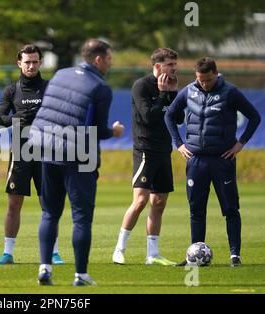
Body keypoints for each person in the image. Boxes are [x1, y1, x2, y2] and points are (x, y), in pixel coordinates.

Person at [30, 39, 125, 285]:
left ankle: (44, 269)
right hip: (78, 156)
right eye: (109, 59)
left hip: (46, 150)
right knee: (81, 217)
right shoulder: (101, 87)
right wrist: (114, 132)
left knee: (49, 213)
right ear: (98, 59)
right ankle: (81, 275)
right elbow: (96, 130)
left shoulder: (60, 74)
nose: (111, 63)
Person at [165, 57, 261, 267]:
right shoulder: (189, 91)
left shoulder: (230, 92)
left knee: (230, 209)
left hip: (222, 160)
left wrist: (240, 144)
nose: (204, 84)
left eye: (208, 80)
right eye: (200, 79)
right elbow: (170, 116)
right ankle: (194, 255)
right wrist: (178, 143)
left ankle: (235, 255)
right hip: (195, 160)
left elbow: (254, 117)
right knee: (196, 210)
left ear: (216, 74)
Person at [112, 48, 184, 266]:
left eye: (174, 64)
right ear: (157, 65)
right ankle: (119, 248)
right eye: (170, 64)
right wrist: (163, 94)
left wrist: (172, 93)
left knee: (159, 202)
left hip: (164, 150)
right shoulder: (141, 86)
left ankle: (152, 254)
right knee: (141, 200)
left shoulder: (171, 87)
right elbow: (149, 116)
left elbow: (178, 118)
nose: (174, 68)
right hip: (145, 149)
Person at [0, 44, 64, 265]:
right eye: (27, 62)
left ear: (40, 62)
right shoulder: (11, 90)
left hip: (46, 153)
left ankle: (53, 252)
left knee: (48, 205)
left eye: (35, 61)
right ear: (19, 63)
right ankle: (7, 253)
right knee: (14, 204)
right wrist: (18, 119)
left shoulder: (50, 87)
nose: (31, 66)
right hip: (20, 152)